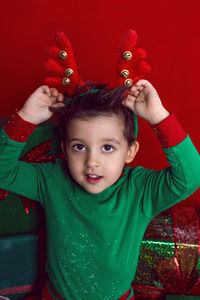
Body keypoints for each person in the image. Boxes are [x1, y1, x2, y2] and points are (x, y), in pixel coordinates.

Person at [0, 79, 200, 300]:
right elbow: (3, 172)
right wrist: (25, 119)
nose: (92, 161)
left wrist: (159, 117)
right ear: (65, 149)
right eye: (79, 147)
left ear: (129, 152)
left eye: (107, 147)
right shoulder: (52, 179)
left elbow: (191, 177)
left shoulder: (140, 190)